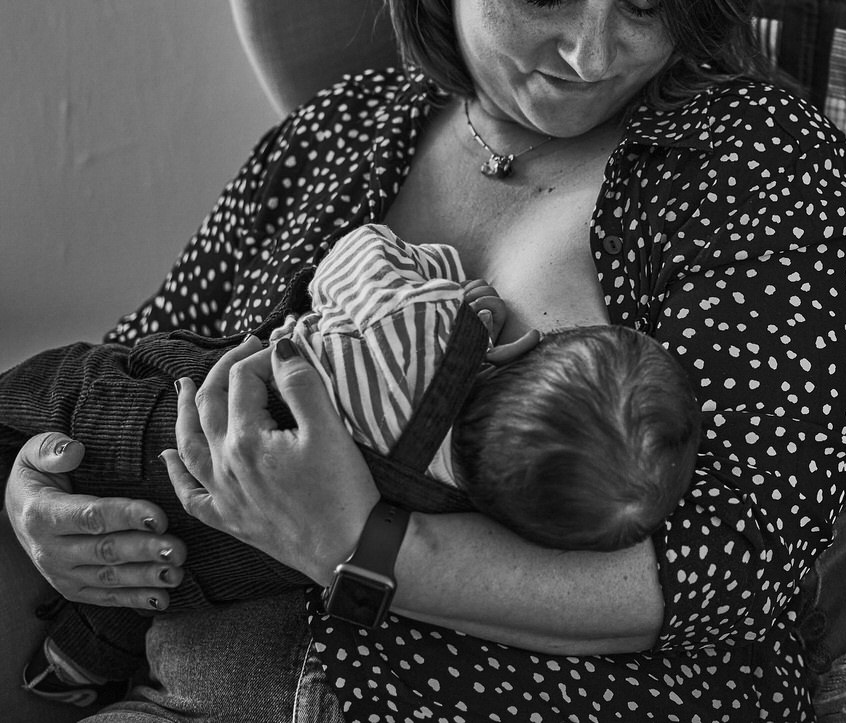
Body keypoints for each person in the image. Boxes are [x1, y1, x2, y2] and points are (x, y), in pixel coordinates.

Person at [3, 0, 846, 723]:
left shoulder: (761, 175)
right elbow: (134, 368)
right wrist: (39, 490)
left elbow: (722, 570)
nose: (588, 52)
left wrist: (362, 542)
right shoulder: (346, 132)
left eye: (648, 2)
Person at [5, 221, 700, 708]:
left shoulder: (420, 328)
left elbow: (352, 257)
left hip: (144, 422)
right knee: (165, 568)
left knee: (38, 397)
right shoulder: (451, 508)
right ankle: (79, 656)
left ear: (524, 348)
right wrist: (23, 494)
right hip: (208, 565)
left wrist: (447, 285)